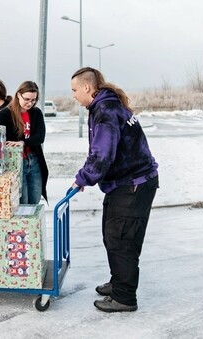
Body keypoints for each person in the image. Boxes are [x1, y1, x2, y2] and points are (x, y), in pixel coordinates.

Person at [70, 67, 159, 313]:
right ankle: (118, 282)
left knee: (122, 240)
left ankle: (125, 297)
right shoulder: (105, 105)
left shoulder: (106, 110)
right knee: (112, 236)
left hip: (134, 184)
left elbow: (102, 155)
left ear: (87, 87)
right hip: (125, 182)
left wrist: (82, 178)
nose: (74, 96)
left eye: (75, 90)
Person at [0, 80, 48, 204]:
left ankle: (33, 224)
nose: (30, 103)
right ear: (18, 95)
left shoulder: (36, 113)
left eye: (33, 100)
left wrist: (23, 142)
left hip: (34, 161)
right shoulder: (7, 113)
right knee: (21, 203)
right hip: (17, 164)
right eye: (27, 99)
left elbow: (40, 137)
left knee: (34, 202)